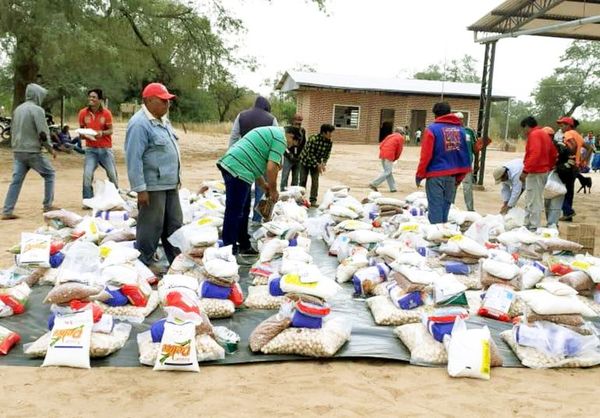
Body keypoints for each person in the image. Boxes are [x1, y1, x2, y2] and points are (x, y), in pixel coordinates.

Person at [124, 82, 182, 267]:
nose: (167, 105)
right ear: (149, 101)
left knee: (174, 225)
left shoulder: (163, 121)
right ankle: (143, 263)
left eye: (168, 101)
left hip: (170, 183)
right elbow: (134, 159)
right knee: (151, 227)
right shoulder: (140, 124)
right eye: (163, 101)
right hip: (153, 186)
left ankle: (178, 264)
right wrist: (140, 189)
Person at [218, 126, 300, 255]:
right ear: (290, 136)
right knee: (234, 212)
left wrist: (264, 185)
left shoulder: (272, 133)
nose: (287, 147)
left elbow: (255, 162)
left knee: (242, 210)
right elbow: (271, 167)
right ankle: (228, 251)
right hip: (238, 168)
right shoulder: (281, 138)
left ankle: (243, 243)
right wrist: (273, 190)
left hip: (236, 164)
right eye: (290, 144)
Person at [2, 83, 58, 220]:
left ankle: (7, 210)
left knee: (16, 180)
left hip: (18, 150)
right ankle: (47, 205)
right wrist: (50, 148)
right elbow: (43, 133)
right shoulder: (37, 110)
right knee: (50, 174)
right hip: (32, 151)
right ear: (37, 95)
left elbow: (13, 130)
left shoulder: (18, 110)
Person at [415, 102, 471, 224]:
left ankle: (436, 239)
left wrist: (419, 175)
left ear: (435, 115)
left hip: (435, 176)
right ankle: (443, 238)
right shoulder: (461, 131)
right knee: (445, 209)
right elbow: (464, 155)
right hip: (452, 177)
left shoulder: (432, 129)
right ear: (449, 112)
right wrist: (460, 177)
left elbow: (426, 156)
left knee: (435, 209)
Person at [229, 96, 278, 224]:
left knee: (243, 191)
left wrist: (233, 156)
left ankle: (241, 221)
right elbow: (276, 142)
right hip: (263, 162)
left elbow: (234, 137)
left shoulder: (241, 116)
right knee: (261, 191)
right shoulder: (271, 119)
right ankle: (257, 220)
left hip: (243, 161)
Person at [79, 88, 118, 201]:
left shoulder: (106, 113)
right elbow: (81, 130)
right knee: (87, 175)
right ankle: (88, 199)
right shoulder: (83, 113)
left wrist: (102, 133)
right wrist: (83, 134)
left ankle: (115, 198)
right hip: (91, 149)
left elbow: (110, 131)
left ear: (100, 99)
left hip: (105, 149)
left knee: (112, 175)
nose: (91, 99)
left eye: (94, 97)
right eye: (90, 97)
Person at [520, 116, 557, 230]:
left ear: (527, 126)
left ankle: (533, 226)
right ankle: (528, 223)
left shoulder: (534, 135)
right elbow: (553, 154)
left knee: (533, 199)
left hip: (535, 171)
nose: (523, 131)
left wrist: (525, 171)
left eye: (523, 128)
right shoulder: (544, 134)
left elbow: (534, 154)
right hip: (542, 171)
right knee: (532, 198)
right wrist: (548, 167)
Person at [556, 116, 586, 221]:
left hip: (568, 166)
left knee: (559, 189)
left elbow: (572, 147)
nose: (561, 127)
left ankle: (568, 211)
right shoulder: (578, 135)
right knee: (569, 191)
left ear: (569, 126)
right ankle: (567, 215)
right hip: (575, 167)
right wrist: (583, 161)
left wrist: (569, 157)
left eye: (563, 125)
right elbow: (590, 148)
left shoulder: (568, 134)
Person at [299, 123, 335, 206]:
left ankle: (313, 200)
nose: (331, 135)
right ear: (324, 132)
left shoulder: (329, 142)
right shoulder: (313, 139)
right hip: (305, 161)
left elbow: (327, 154)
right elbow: (309, 154)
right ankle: (301, 200)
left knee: (315, 181)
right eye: (330, 132)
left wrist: (323, 164)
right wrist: (317, 165)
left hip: (316, 162)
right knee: (303, 180)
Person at [542, 126, 569, 228]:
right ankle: (551, 224)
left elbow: (569, 162)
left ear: (551, 136)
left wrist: (558, 168)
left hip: (559, 177)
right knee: (547, 202)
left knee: (556, 202)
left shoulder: (561, 147)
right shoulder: (541, 146)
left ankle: (552, 224)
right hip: (546, 177)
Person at [368, 126, 404, 192]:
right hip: (389, 155)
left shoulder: (389, 136)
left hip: (382, 154)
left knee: (388, 172)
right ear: (401, 132)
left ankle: (393, 188)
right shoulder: (400, 138)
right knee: (388, 171)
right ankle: (374, 184)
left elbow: (381, 145)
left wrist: (383, 152)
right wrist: (396, 158)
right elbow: (399, 150)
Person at [455, 112, 476, 211]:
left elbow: (475, 148)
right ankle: (451, 208)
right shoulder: (451, 131)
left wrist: (477, 163)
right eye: (457, 119)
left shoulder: (469, 132)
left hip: (466, 164)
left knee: (467, 188)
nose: (459, 120)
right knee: (452, 186)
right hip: (454, 164)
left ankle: (470, 209)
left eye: (461, 118)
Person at [280, 114, 306, 191]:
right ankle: (282, 193)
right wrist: (289, 155)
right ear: (293, 121)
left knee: (295, 179)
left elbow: (304, 144)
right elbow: (283, 145)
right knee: (285, 177)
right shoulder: (287, 130)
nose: (298, 125)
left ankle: (293, 194)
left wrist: (300, 155)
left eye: (300, 123)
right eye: (296, 122)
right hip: (288, 157)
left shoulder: (302, 131)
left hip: (298, 158)